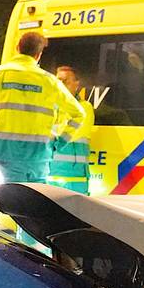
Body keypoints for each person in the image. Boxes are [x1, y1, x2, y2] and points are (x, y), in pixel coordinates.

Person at [0, 31, 86, 186]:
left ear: (17, 47)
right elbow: (78, 114)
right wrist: (58, 144)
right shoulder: (50, 81)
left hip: (4, 154)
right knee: (38, 199)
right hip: (38, 157)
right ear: (38, 55)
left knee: (12, 199)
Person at [50, 65, 94, 194]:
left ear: (76, 84)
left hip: (75, 178)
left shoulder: (84, 107)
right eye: (58, 81)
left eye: (65, 81)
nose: (61, 85)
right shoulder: (50, 107)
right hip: (49, 175)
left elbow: (72, 134)